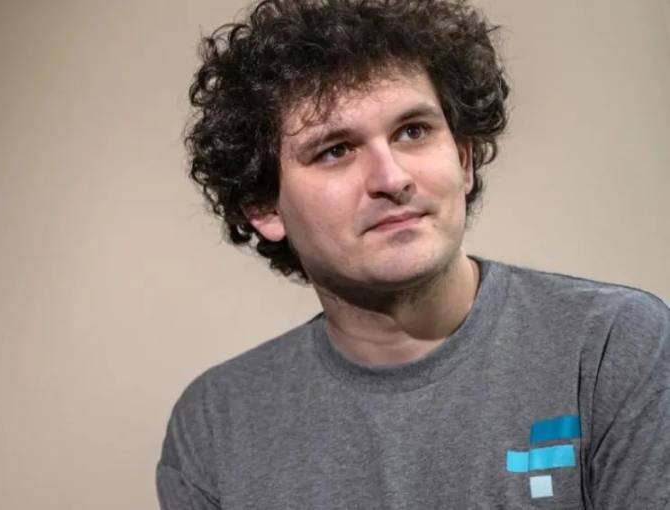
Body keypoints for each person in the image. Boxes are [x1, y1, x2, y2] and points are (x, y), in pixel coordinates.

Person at [156, 0, 670, 508]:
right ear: (264, 207)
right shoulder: (214, 424)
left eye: (413, 131)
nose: (392, 177)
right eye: (335, 150)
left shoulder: (610, 347)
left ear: (464, 160)